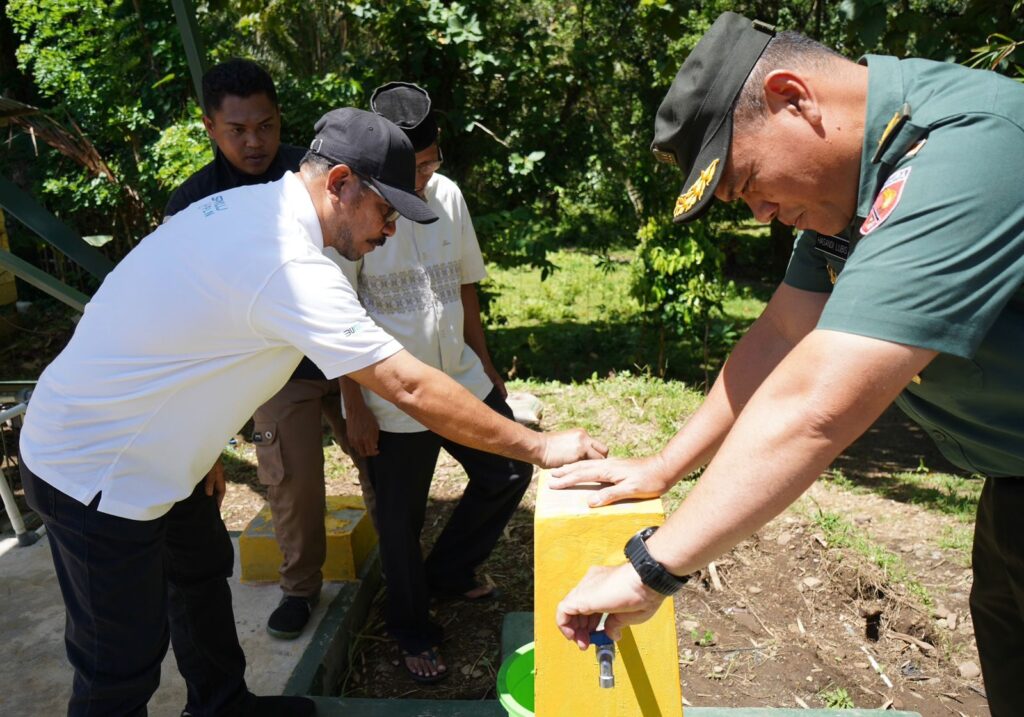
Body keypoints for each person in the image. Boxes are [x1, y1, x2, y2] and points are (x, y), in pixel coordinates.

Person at [19, 106, 606, 717]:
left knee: (199, 578)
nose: (390, 231)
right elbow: (406, 386)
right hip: (93, 469)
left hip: (158, 454)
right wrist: (539, 447)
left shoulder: (249, 210)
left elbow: (171, 329)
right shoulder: (287, 263)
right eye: (386, 212)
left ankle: (224, 706)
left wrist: (197, 453)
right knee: (120, 666)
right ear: (341, 182)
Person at [551, 12, 1024, 716]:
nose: (762, 213)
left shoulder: (970, 150)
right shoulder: (849, 194)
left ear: (793, 97)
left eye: (747, 181)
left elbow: (818, 403)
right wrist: (662, 468)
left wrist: (652, 566)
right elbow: (780, 335)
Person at [164, 58, 376, 642]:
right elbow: (192, 323)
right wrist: (205, 434)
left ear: (281, 119)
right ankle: (300, 588)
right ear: (209, 126)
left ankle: (402, 569)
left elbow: (349, 287)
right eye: (238, 130)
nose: (255, 142)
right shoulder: (193, 206)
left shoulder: (314, 183)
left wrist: (355, 395)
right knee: (289, 481)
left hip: (346, 351)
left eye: (266, 126)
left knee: (383, 461)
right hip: (273, 374)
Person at [337, 82, 529, 683]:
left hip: (460, 376)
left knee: (508, 471)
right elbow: (336, 316)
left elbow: (465, 288)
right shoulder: (353, 211)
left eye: (431, 161)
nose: (425, 176)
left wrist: (488, 367)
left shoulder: (448, 195)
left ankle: (447, 573)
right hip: (392, 395)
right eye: (414, 168)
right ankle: (411, 627)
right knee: (399, 520)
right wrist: (355, 406)